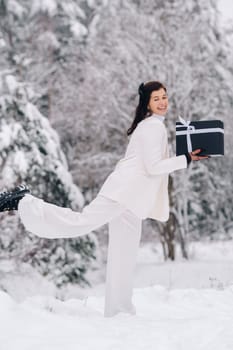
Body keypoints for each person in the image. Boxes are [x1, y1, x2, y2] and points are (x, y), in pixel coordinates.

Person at [0, 81, 208, 317]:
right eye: (156, 99)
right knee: (80, 222)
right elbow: (153, 167)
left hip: (131, 200)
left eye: (164, 97)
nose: (163, 102)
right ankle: (24, 202)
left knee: (124, 256)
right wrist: (186, 159)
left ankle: (119, 311)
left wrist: (186, 155)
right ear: (148, 104)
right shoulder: (153, 127)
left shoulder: (151, 125)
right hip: (123, 193)